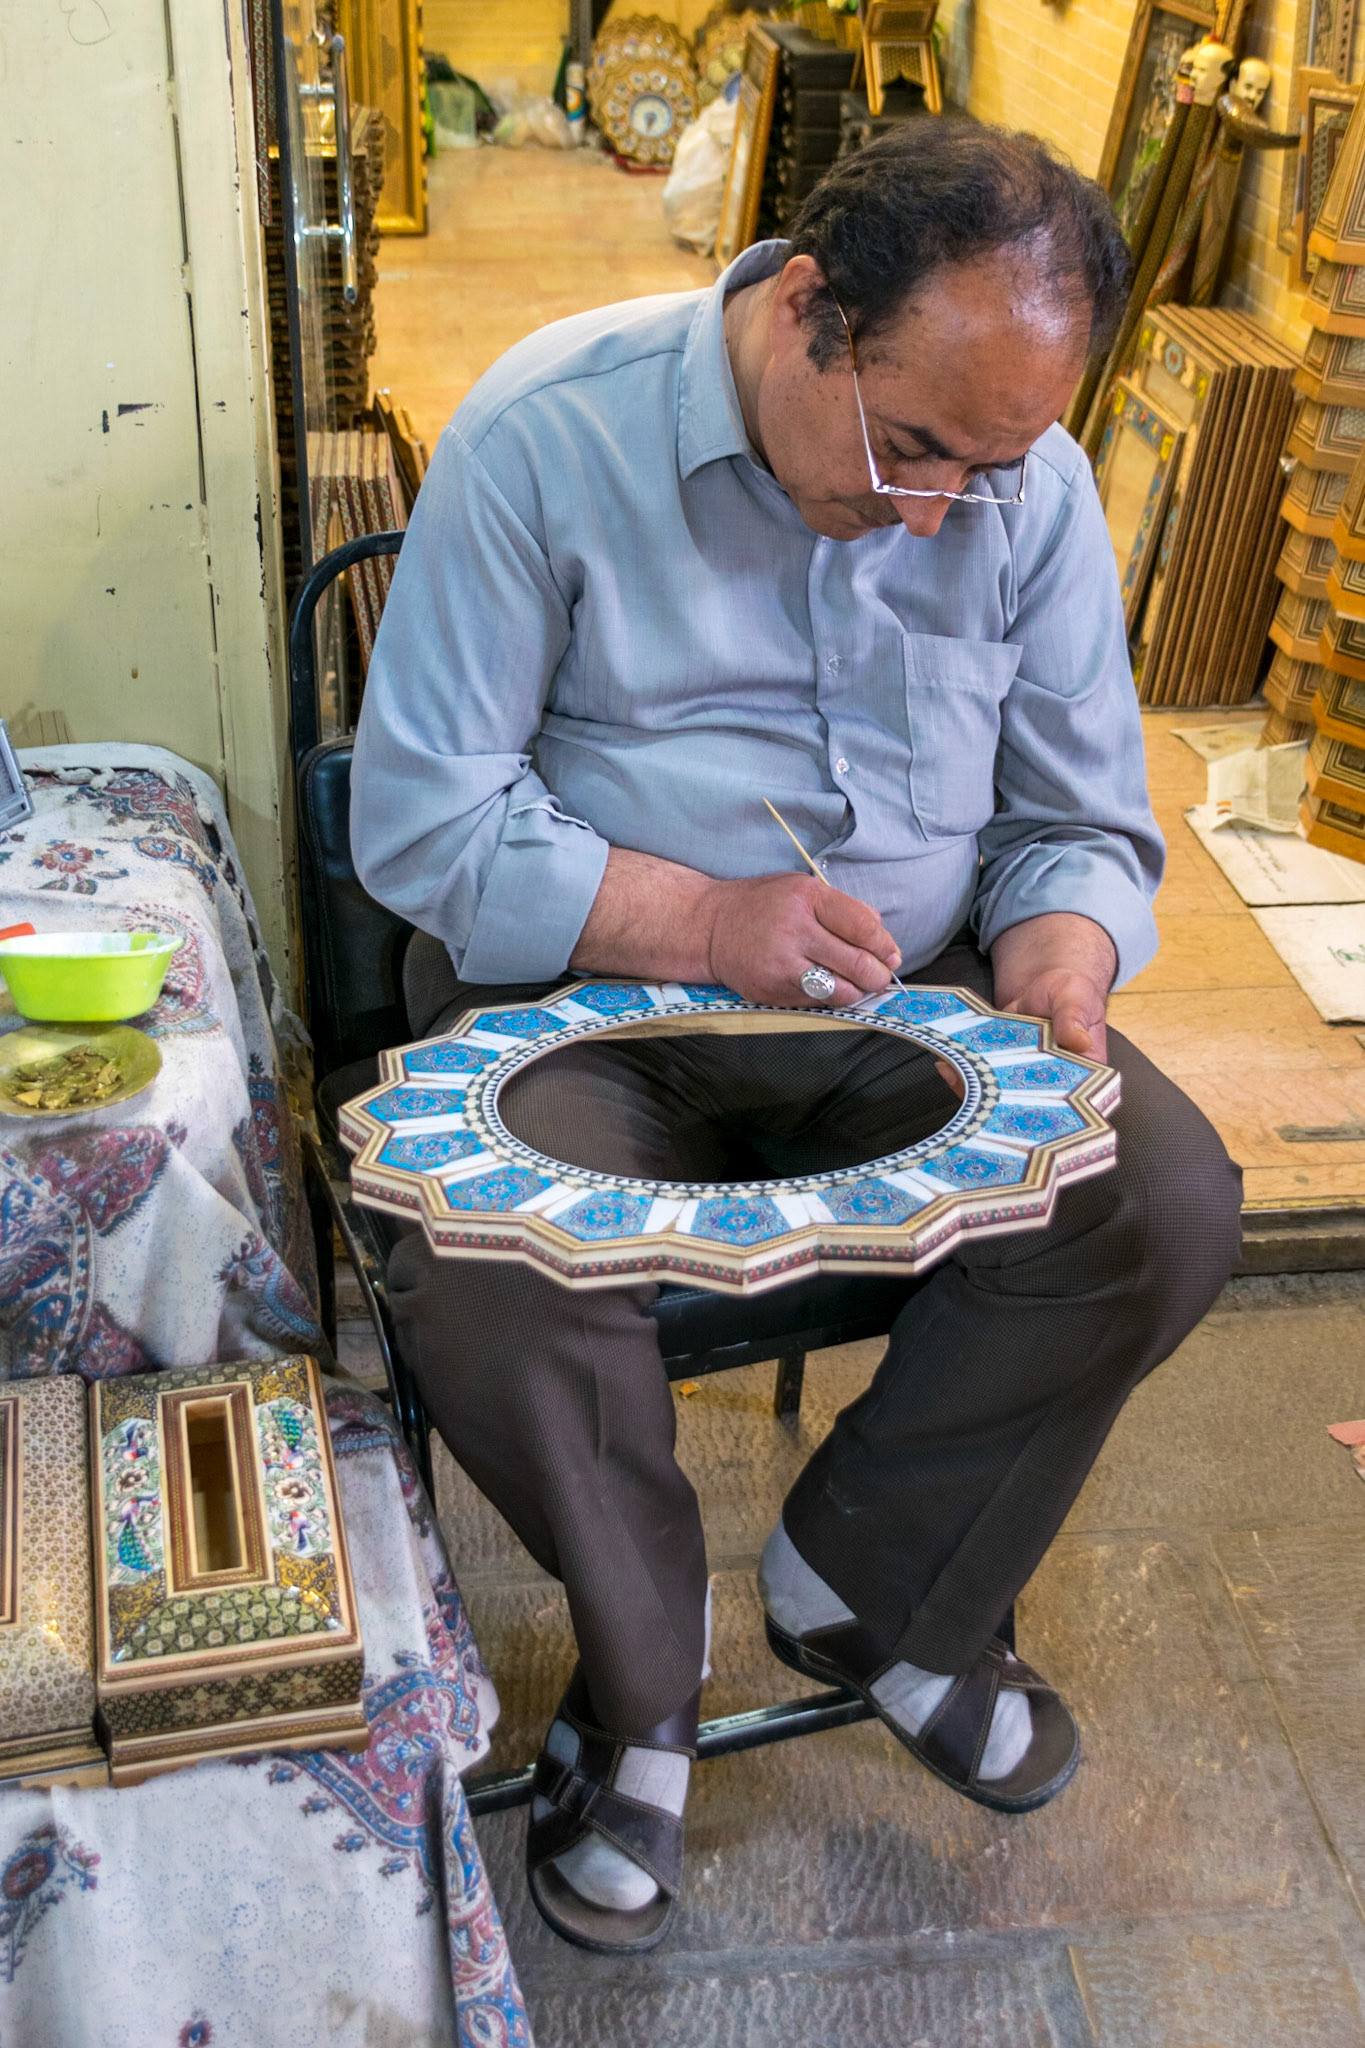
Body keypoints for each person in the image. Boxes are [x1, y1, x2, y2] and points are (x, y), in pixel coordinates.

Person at [351, 120, 1243, 1955]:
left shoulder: (1027, 478)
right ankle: (643, 1679)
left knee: (1158, 1192)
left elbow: (1075, 813)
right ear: (808, 310)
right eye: (908, 446)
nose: (936, 508)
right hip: (594, 995)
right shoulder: (549, 432)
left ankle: (876, 1587)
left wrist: (1065, 943)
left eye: (983, 470)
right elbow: (422, 818)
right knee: (489, 1261)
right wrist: (696, 919)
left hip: (902, 997)